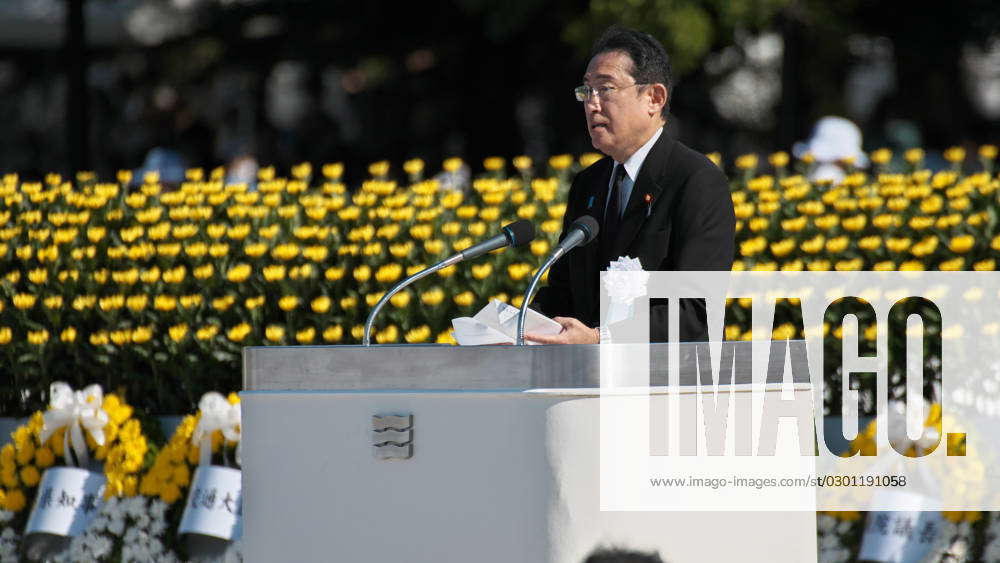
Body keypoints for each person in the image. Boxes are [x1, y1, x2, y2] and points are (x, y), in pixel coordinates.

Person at [526, 25, 735, 344]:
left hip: (665, 383)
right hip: (584, 381)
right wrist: (515, 326)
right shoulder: (588, 184)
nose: (591, 104)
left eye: (605, 89)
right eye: (586, 91)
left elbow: (697, 313)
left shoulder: (697, 181)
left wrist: (602, 339)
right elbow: (563, 294)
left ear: (654, 97)